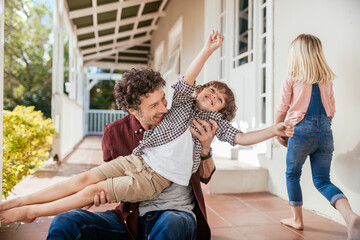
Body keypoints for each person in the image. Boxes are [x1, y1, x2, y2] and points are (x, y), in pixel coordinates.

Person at [274, 33, 360, 240]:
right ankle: (350, 216)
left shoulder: (292, 77)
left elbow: (282, 109)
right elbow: (332, 110)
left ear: (296, 55)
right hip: (325, 133)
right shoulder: (327, 80)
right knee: (322, 180)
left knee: (292, 174)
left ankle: (297, 219)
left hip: (300, 132)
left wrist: (277, 131)